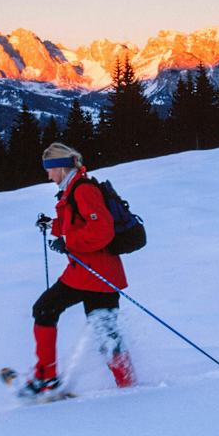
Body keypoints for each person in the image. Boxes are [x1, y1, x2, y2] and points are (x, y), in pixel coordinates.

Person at [19, 142, 136, 398]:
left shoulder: (83, 190)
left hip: (96, 272)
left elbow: (101, 231)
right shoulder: (71, 189)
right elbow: (76, 223)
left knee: (49, 310)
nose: (47, 175)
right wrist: (52, 225)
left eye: (49, 169)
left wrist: (68, 242)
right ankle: (127, 383)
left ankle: (46, 377)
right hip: (89, 272)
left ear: (60, 167)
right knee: (103, 329)